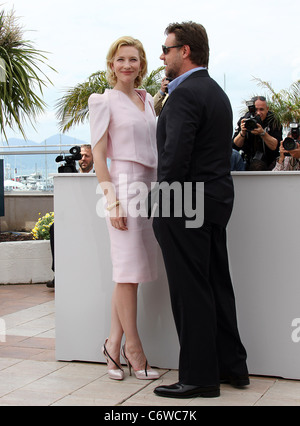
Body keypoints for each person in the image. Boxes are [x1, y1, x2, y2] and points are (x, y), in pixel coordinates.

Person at [151, 21, 249, 399]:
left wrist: (162, 204)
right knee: (215, 286)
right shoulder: (215, 92)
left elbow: (174, 159)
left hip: (184, 204)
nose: (162, 55)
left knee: (190, 292)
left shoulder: (186, 93)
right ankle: (232, 367)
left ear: (185, 51)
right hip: (213, 202)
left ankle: (199, 377)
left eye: (166, 48)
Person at [88, 36, 160, 381]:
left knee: (131, 274)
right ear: (111, 64)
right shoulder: (103, 101)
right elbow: (99, 155)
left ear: (141, 64)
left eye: (133, 59)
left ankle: (112, 345)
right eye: (121, 59)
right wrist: (111, 199)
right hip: (124, 187)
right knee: (127, 273)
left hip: (151, 189)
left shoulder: (147, 101)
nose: (127, 65)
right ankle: (134, 349)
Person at [47, 144, 95, 289]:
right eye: (80, 156)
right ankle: (59, 273)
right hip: (72, 218)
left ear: (93, 157)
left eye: (87, 155)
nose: (83, 159)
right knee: (54, 228)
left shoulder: (99, 175)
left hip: (92, 219)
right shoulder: (69, 175)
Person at [233, 96, 282, 170]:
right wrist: (242, 132)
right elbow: (235, 146)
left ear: (267, 109)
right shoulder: (245, 120)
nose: (258, 113)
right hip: (247, 161)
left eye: (261, 109)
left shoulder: (273, 121)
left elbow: (275, 146)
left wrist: (263, 133)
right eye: (255, 110)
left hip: (270, 162)